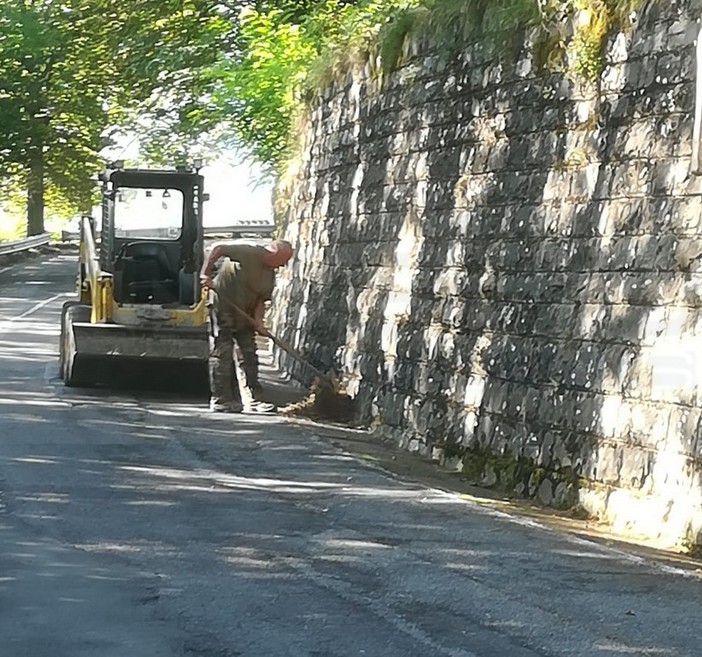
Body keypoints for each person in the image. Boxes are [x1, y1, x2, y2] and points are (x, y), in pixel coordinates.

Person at [200, 239, 293, 413]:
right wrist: (205, 274)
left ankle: (253, 400)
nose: (284, 265)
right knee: (222, 355)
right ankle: (221, 400)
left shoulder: (270, 274)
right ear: (274, 253)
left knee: (249, 356)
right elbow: (217, 248)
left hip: (246, 316)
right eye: (283, 259)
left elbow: (260, 300)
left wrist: (259, 322)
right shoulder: (249, 252)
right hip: (223, 310)